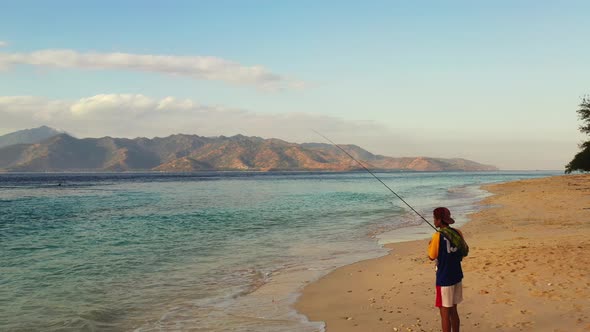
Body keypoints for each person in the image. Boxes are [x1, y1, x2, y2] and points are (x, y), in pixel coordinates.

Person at [428, 207, 468, 332]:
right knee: (453, 310)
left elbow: (431, 256)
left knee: (444, 313)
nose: (434, 221)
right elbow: (464, 252)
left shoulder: (437, 236)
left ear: (439, 220)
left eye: (435, 219)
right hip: (457, 276)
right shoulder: (457, 232)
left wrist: (430, 244)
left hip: (444, 279)